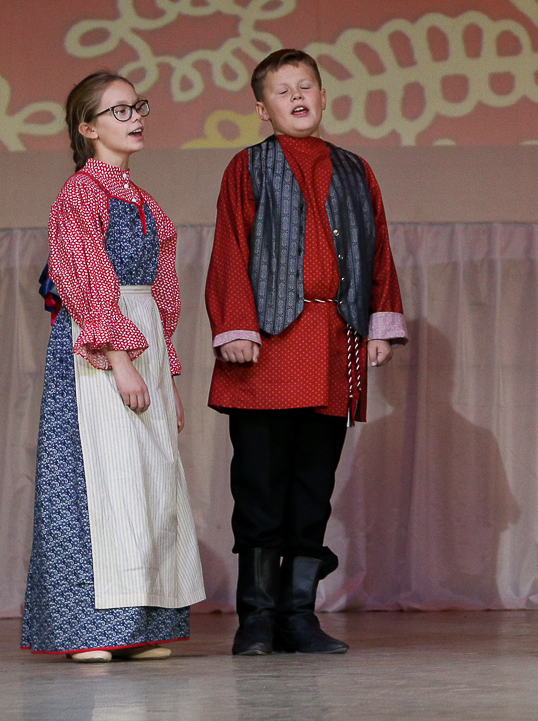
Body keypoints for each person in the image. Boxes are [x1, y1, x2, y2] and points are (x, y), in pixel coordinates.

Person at [205, 49, 406, 656]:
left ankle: (298, 617)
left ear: (323, 97)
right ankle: (256, 620)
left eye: (306, 87)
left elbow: (378, 249)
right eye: (282, 90)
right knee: (260, 485)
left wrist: (377, 324)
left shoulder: (354, 169)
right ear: (261, 109)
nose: (297, 97)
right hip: (266, 347)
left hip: (332, 343)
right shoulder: (248, 166)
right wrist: (236, 327)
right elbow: (231, 248)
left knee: (312, 485)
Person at [22, 71, 205, 661]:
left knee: (146, 481)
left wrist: (164, 374)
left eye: (137, 107)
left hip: (140, 341)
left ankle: (138, 625)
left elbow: (161, 294)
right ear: (88, 127)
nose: (136, 118)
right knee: (98, 478)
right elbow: (86, 280)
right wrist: (120, 360)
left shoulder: (143, 200)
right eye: (120, 110)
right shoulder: (81, 193)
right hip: (99, 349)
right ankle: (89, 630)